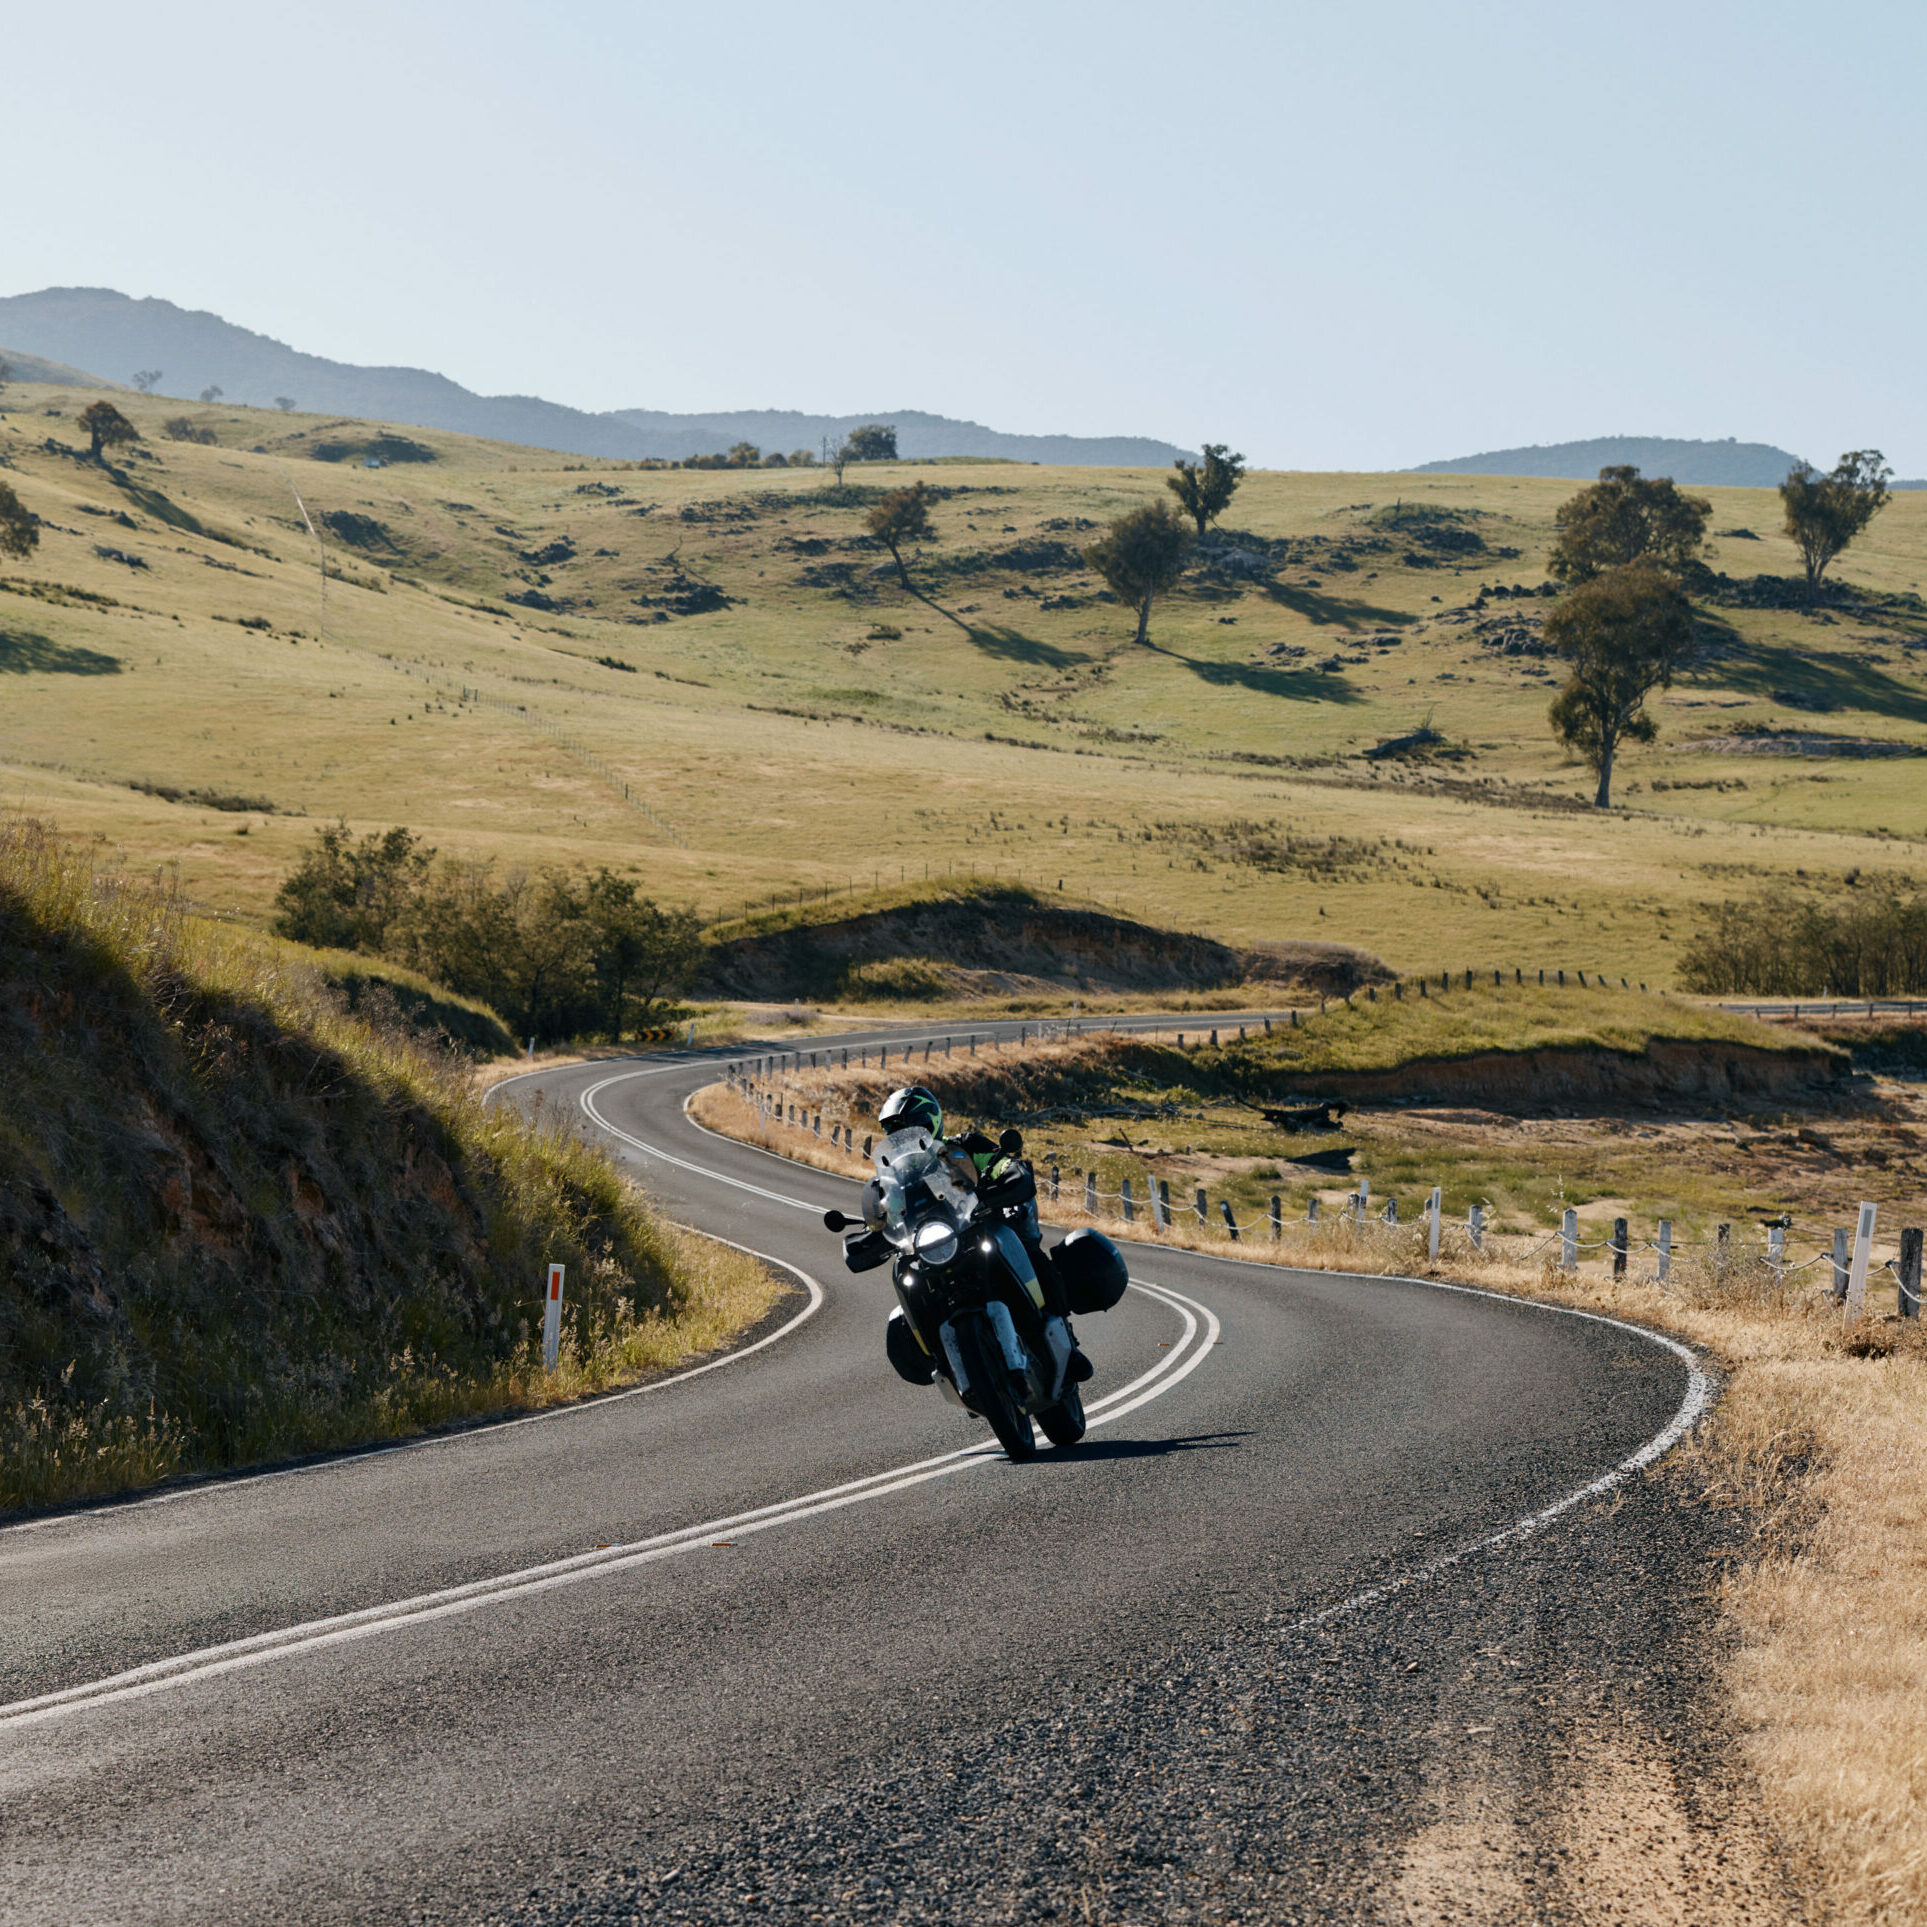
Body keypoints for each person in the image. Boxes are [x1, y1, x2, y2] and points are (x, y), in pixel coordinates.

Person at [873, 1085, 1093, 1388]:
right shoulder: (893, 1178)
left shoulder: (963, 1146)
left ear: (931, 1122)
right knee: (905, 1275)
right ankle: (941, 1358)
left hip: (976, 1229)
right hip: (934, 1247)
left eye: (913, 1127)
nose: (906, 1137)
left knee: (1022, 1246)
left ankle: (1066, 1340)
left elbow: (1003, 1164)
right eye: (896, 1132)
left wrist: (1007, 1178)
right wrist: (872, 1233)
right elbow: (884, 1213)